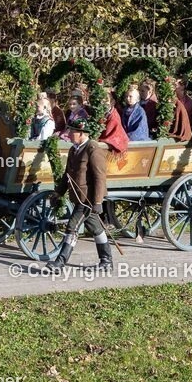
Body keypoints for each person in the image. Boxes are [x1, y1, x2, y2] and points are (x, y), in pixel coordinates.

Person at [44, 117, 112, 273]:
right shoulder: (74, 149)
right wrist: (58, 193)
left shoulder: (93, 149)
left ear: (82, 133)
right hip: (78, 197)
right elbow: (67, 174)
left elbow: (100, 177)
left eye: (72, 131)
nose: (68, 134)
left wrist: (98, 202)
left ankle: (60, 263)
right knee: (96, 229)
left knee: (72, 227)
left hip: (87, 199)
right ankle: (106, 261)